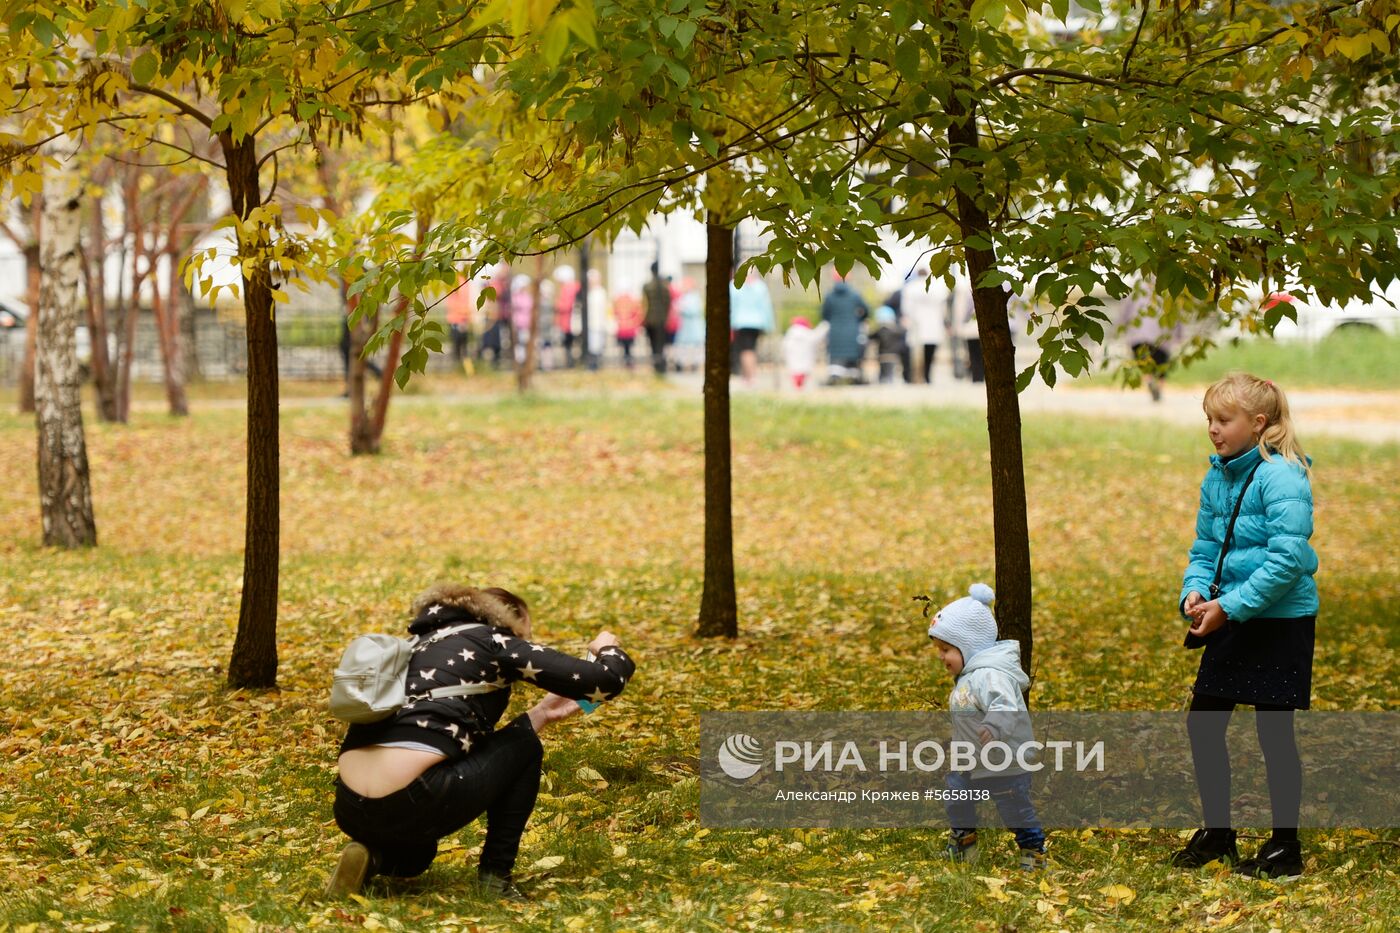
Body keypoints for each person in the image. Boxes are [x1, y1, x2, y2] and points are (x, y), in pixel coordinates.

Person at [326, 584, 637, 900]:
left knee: (418, 856)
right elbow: (607, 681)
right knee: (526, 747)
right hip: (414, 799)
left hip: (349, 808)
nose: (524, 641)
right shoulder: (493, 640)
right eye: (524, 633)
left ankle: (372, 858)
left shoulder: (412, 646)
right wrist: (606, 649)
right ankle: (495, 877)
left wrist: (543, 712)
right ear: (509, 619)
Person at [1171, 373, 1317, 879]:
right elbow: (1207, 548)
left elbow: (1287, 561)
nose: (1212, 429)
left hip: (1279, 620)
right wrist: (1194, 591)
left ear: (1258, 424)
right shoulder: (1219, 474)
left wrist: (1228, 607)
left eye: (1223, 420)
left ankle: (1284, 848)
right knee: (1204, 724)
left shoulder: (1283, 477)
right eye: (1208, 419)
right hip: (1228, 614)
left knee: (1273, 734)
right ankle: (1218, 833)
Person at [926, 584, 1046, 870]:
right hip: (972, 762)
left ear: (969, 646)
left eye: (946, 650)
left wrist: (994, 725)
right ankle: (963, 845)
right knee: (956, 798)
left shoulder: (990, 676)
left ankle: (1033, 852)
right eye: (939, 650)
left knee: (1014, 810)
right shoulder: (970, 677)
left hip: (1005, 763)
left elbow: (1006, 706)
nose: (941, 657)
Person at [902, 267, 950, 385]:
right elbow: (944, 308)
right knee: (930, 353)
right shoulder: (938, 288)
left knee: (916, 354)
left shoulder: (910, 288)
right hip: (933, 324)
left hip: (916, 324)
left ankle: (915, 377)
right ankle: (927, 376)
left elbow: (906, 308)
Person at [820, 271, 868, 384]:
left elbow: (824, 315)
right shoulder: (855, 295)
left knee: (836, 357)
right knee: (852, 355)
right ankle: (854, 377)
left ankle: (834, 377)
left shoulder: (829, 296)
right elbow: (866, 311)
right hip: (852, 330)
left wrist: (833, 320)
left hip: (835, 331)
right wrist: (858, 319)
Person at [729, 268, 775, 384]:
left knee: (746, 350)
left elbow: (732, 306)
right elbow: (766, 307)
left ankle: (750, 376)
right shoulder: (760, 287)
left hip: (741, 322)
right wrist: (769, 324)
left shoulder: (735, 286)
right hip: (756, 322)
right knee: (751, 349)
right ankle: (748, 375)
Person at [780, 316, 829, 390]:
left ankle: (798, 388)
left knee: (796, 375)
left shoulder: (790, 333)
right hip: (806, 360)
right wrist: (825, 325)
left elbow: (784, 346)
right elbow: (817, 336)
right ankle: (801, 388)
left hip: (793, 361)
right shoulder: (807, 333)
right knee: (804, 375)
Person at [642, 262, 672, 376]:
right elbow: (668, 302)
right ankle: (660, 366)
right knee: (661, 344)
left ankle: (657, 365)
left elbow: (644, 304)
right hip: (662, 320)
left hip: (650, 319)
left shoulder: (647, 286)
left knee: (653, 344)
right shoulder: (665, 286)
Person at [672, 277, 706, 372]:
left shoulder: (695, 297)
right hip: (685, 326)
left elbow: (694, 310)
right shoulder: (683, 297)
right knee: (683, 346)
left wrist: (683, 309)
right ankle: (683, 364)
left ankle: (695, 364)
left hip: (694, 326)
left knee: (696, 346)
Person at [870, 305, 908, 384]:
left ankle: (882, 383)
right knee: (891, 373)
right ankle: (889, 385)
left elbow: (870, 336)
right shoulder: (896, 331)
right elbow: (904, 330)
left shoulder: (879, 331)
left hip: (882, 356)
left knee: (883, 374)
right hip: (893, 356)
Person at [612, 292, 642, 369]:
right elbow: (637, 314)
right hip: (630, 329)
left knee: (624, 348)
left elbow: (615, 313)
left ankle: (625, 362)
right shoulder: (632, 302)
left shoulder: (618, 302)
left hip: (622, 329)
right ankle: (628, 363)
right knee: (629, 348)